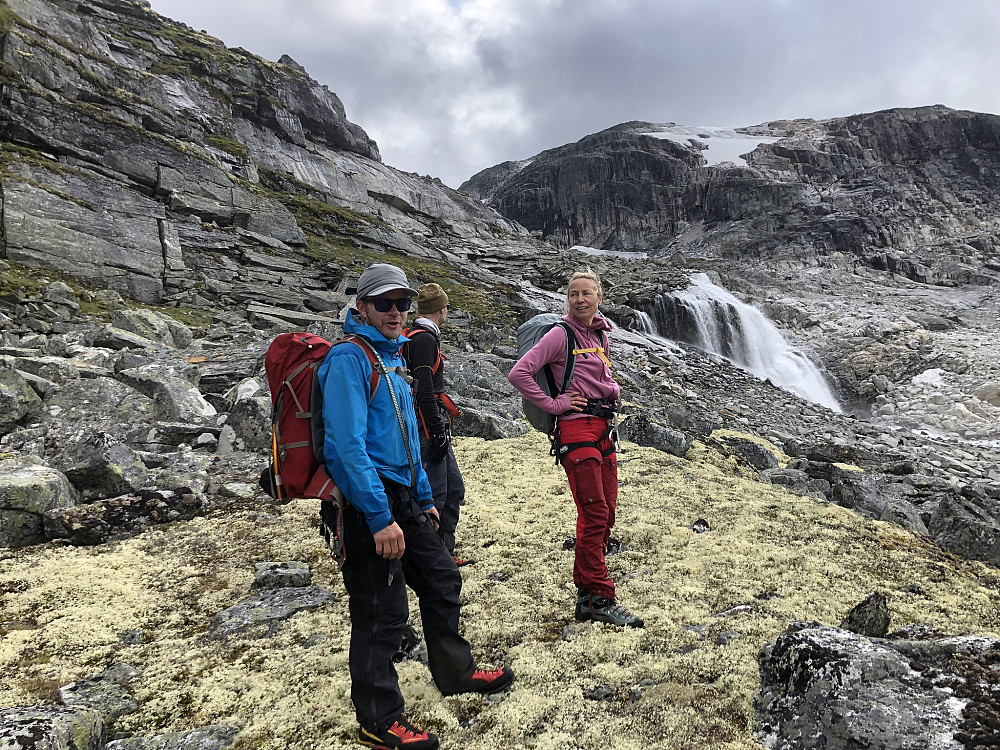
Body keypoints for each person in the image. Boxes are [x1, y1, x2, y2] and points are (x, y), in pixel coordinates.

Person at [318, 263, 514, 750]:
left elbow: (409, 439)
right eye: (384, 303)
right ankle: (378, 720)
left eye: (403, 303)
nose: (396, 311)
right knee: (382, 612)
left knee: (442, 576)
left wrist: (425, 498)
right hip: (369, 506)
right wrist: (380, 516)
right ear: (361, 306)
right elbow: (345, 446)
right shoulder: (349, 359)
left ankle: (455, 671)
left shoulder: (393, 357)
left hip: (404, 497)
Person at [507, 270, 644, 629]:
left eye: (586, 293)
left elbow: (599, 375)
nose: (579, 299)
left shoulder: (600, 333)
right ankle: (602, 598)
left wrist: (611, 388)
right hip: (576, 429)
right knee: (595, 512)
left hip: (603, 428)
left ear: (599, 297)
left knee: (605, 512)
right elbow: (519, 373)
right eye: (573, 294)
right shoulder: (559, 335)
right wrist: (554, 405)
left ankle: (585, 595)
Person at [402, 283, 474, 567]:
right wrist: (436, 430)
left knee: (453, 488)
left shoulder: (414, 336)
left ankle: (442, 550)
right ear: (442, 310)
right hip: (427, 428)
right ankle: (433, 557)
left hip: (429, 425)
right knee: (438, 493)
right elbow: (424, 389)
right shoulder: (424, 341)